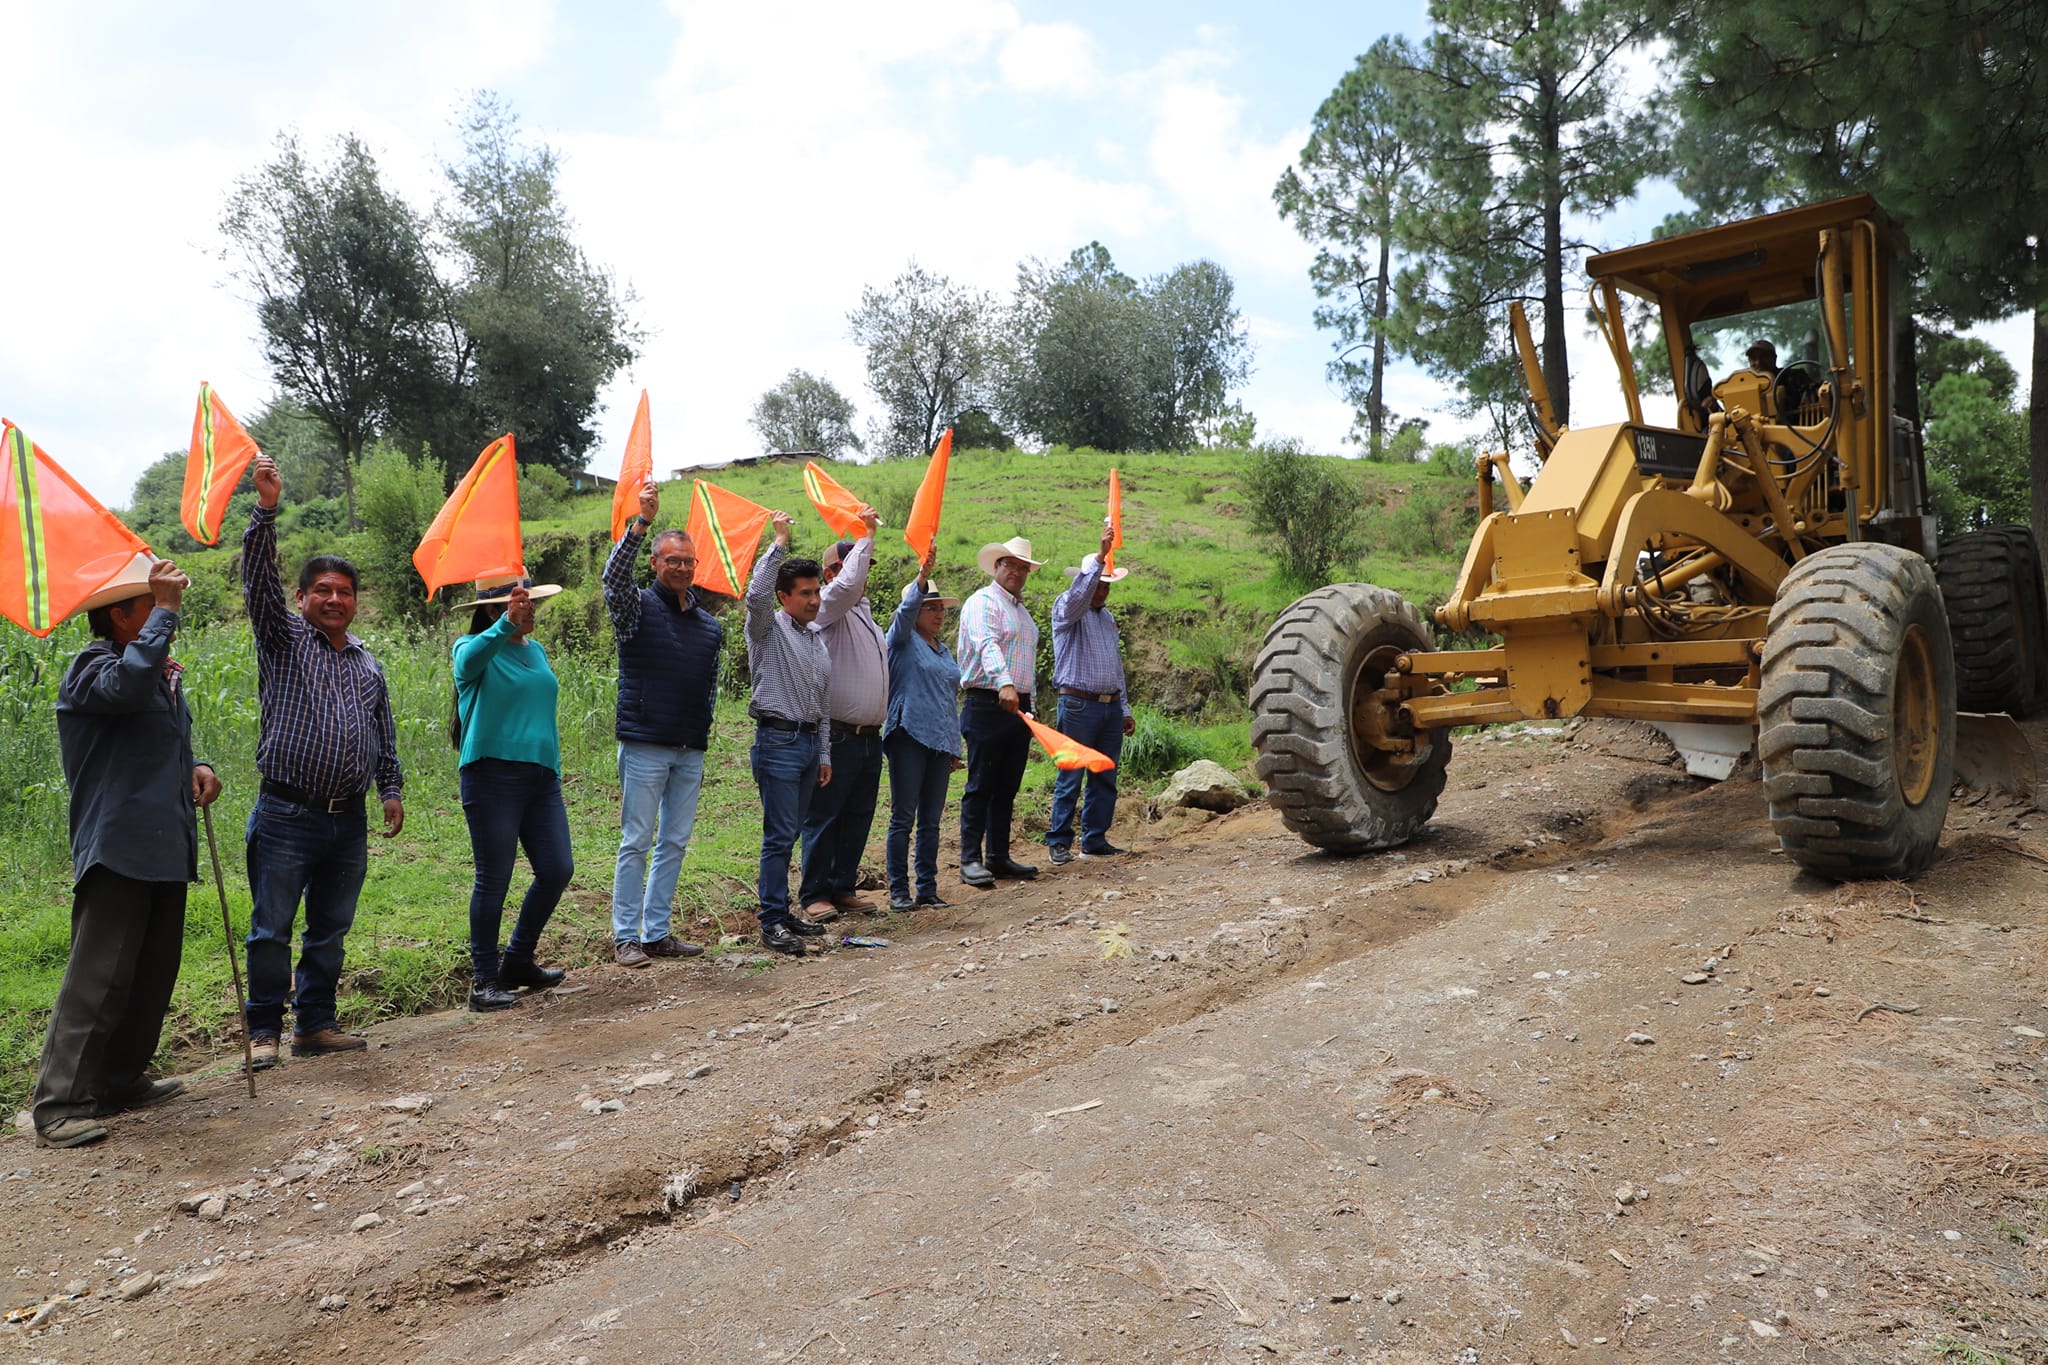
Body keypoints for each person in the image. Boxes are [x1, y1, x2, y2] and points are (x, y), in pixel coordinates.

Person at [32, 554, 221, 1148]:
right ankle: (60, 1102)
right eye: (151, 604)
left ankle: (117, 1079)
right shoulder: (92, 667)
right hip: (117, 846)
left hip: (164, 841)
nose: (168, 614)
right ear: (121, 617)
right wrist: (165, 614)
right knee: (100, 975)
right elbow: (124, 689)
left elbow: (151, 740)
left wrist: (196, 765)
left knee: (150, 970)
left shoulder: (157, 672)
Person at [241, 453, 404, 1068]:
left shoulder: (366, 664)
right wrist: (265, 510)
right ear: (302, 598)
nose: (335, 600)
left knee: (330, 929)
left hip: (348, 819)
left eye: (344, 592)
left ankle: (315, 1025)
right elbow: (257, 580)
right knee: (271, 929)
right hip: (287, 812)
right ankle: (263, 1032)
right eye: (323, 591)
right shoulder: (283, 640)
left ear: (356, 602)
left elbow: (381, 733)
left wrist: (390, 788)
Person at [602, 482, 720, 968]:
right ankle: (626, 936)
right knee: (637, 839)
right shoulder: (635, 608)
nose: (682, 568)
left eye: (689, 561)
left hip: (690, 747)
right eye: (673, 560)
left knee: (673, 841)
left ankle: (657, 933)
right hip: (646, 742)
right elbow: (612, 579)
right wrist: (641, 523)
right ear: (655, 563)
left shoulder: (710, 626)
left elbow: (708, 689)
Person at [451, 573, 573, 1011]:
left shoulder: (535, 650)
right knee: (494, 877)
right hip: (491, 775)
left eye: (530, 601)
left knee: (558, 868)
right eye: (522, 602)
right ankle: (483, 981)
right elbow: (467, 666)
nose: (531, 609)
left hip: (540, 778)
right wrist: (504, 624)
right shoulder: (471, 649)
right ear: (494, 609)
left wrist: (553, 768)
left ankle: (518, 960)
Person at [745, 511, 832, 957]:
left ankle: (781, 910)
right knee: (779, 836)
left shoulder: (815, 637)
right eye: (805, 593)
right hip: (777, 741)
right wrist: (777, 543)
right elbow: (755, 596)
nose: (815, 600)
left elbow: (823, 702)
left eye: (817, 591)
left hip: (807, 743)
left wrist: (825, 753)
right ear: (784, 597)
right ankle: (771, 921)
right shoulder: (767, 628)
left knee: (791, 833)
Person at [797, 506, 888, 922]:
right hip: (839, 733)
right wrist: (868, 533)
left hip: (869, 734)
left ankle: (842, 885)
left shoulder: (864, 612)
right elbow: (849, 585)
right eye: (855, 561)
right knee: (826, 813)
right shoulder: (828, 603)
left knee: (857, 814)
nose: (863, 569)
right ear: (833, 571)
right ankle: (815, 891)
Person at [955, 535, 1044, 888]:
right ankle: (969, 859)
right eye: (1011, 565)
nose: (1017, 573)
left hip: (1017, 705)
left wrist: (1030, 706)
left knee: (1007, 785)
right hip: (987, 700)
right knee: (981, 783)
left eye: (1023, 568)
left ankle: (998, 856)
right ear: (997, 567)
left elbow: (1028, 664)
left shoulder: (1022, 614)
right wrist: (1005, 683)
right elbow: (985, 643)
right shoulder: (982, 602)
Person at [1046, 521, 1137, 864]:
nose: (1102, 590)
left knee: (1105, 774)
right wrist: (1100, 556)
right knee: (1071, 773)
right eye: (1097, 583)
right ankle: (1059, 841)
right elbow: (1076, 599)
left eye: (1106, 585)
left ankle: (1094, 838)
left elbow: (1116, 668)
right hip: (1078, 704)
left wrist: (1124, 707)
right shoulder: (1067, 611)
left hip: (1109, 706)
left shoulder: (1108, 619)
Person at [882, 544, 962, 910]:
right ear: (915, 611)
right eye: (930, 607)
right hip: (908, 735)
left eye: (940, 608)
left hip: (939, 741)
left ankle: (927, 889)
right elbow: (902, 615)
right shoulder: (901, 640)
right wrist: (922, 577)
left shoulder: (942, 650)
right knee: (904, 815)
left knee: (931, 819)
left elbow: (948, 700)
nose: (938, 614)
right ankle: (899, 891)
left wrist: (954, 746)